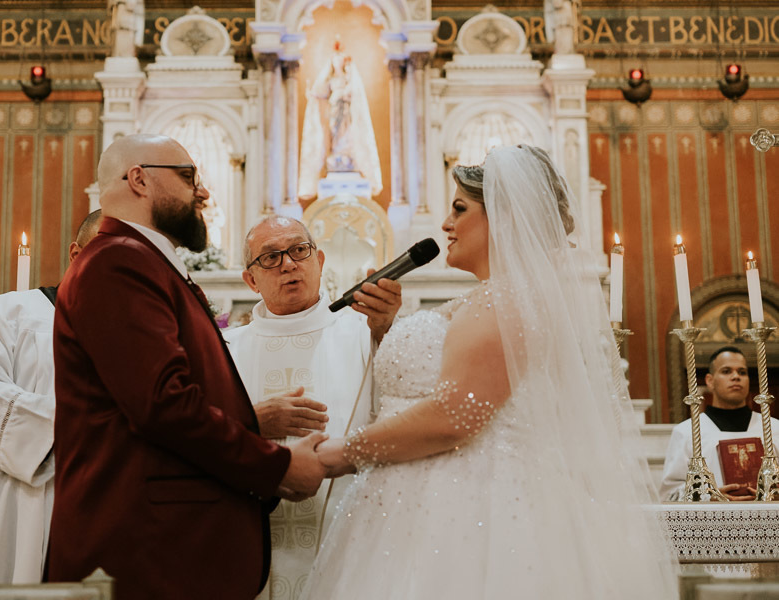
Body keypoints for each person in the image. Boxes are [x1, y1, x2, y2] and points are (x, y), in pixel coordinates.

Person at [306, 145, 678, 598]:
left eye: (460, 209)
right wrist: (386, 328)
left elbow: (455, 416)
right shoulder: (490, 298)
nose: (445, 224)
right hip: (421, 503)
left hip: (468, 509)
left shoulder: (507, 302)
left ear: (504, 218)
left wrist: (344, 453)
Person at [47, 134, 326, 600]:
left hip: (164, 544)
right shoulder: (119, 262)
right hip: (147, 546)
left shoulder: (142, 261)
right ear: (138, 179)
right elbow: (163, 404)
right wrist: (277, 465)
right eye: (188, 176)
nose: (204, 192)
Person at [224, 215, 401, 599]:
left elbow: (403, 408)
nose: (289, 264)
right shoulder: (224, 350)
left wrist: (387, 329)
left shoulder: (366, 332)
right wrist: (252, 422)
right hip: (250, 548)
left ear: (319, 261)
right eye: (270, 257)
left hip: (352, 541)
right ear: (250, 280)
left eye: (299, 251)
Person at [0, 210, 103, 585]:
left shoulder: (133, 333)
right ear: (77, 254)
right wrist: (77, 427)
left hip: (95, 508)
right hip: (8, 501)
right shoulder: (7, 312)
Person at [660, 346, 779, 501]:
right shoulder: (686, 432)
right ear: (710, 381)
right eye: (726, 371)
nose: (736, 377)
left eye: (742, 372)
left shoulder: (774, 428)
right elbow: (669, 494)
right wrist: (709, 497)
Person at [298, 41, 382, 198]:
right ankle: (337, 155)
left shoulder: (349, 78)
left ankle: (347, 155)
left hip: (346, 113)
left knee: (347, 134)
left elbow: (354, 94)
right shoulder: (330, 80)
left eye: (340, 60)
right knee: (335, 136)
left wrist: (345, 91)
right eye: (335, 60)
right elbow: (321, 93)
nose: (337, 62)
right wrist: (312, 95)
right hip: (334, 112)